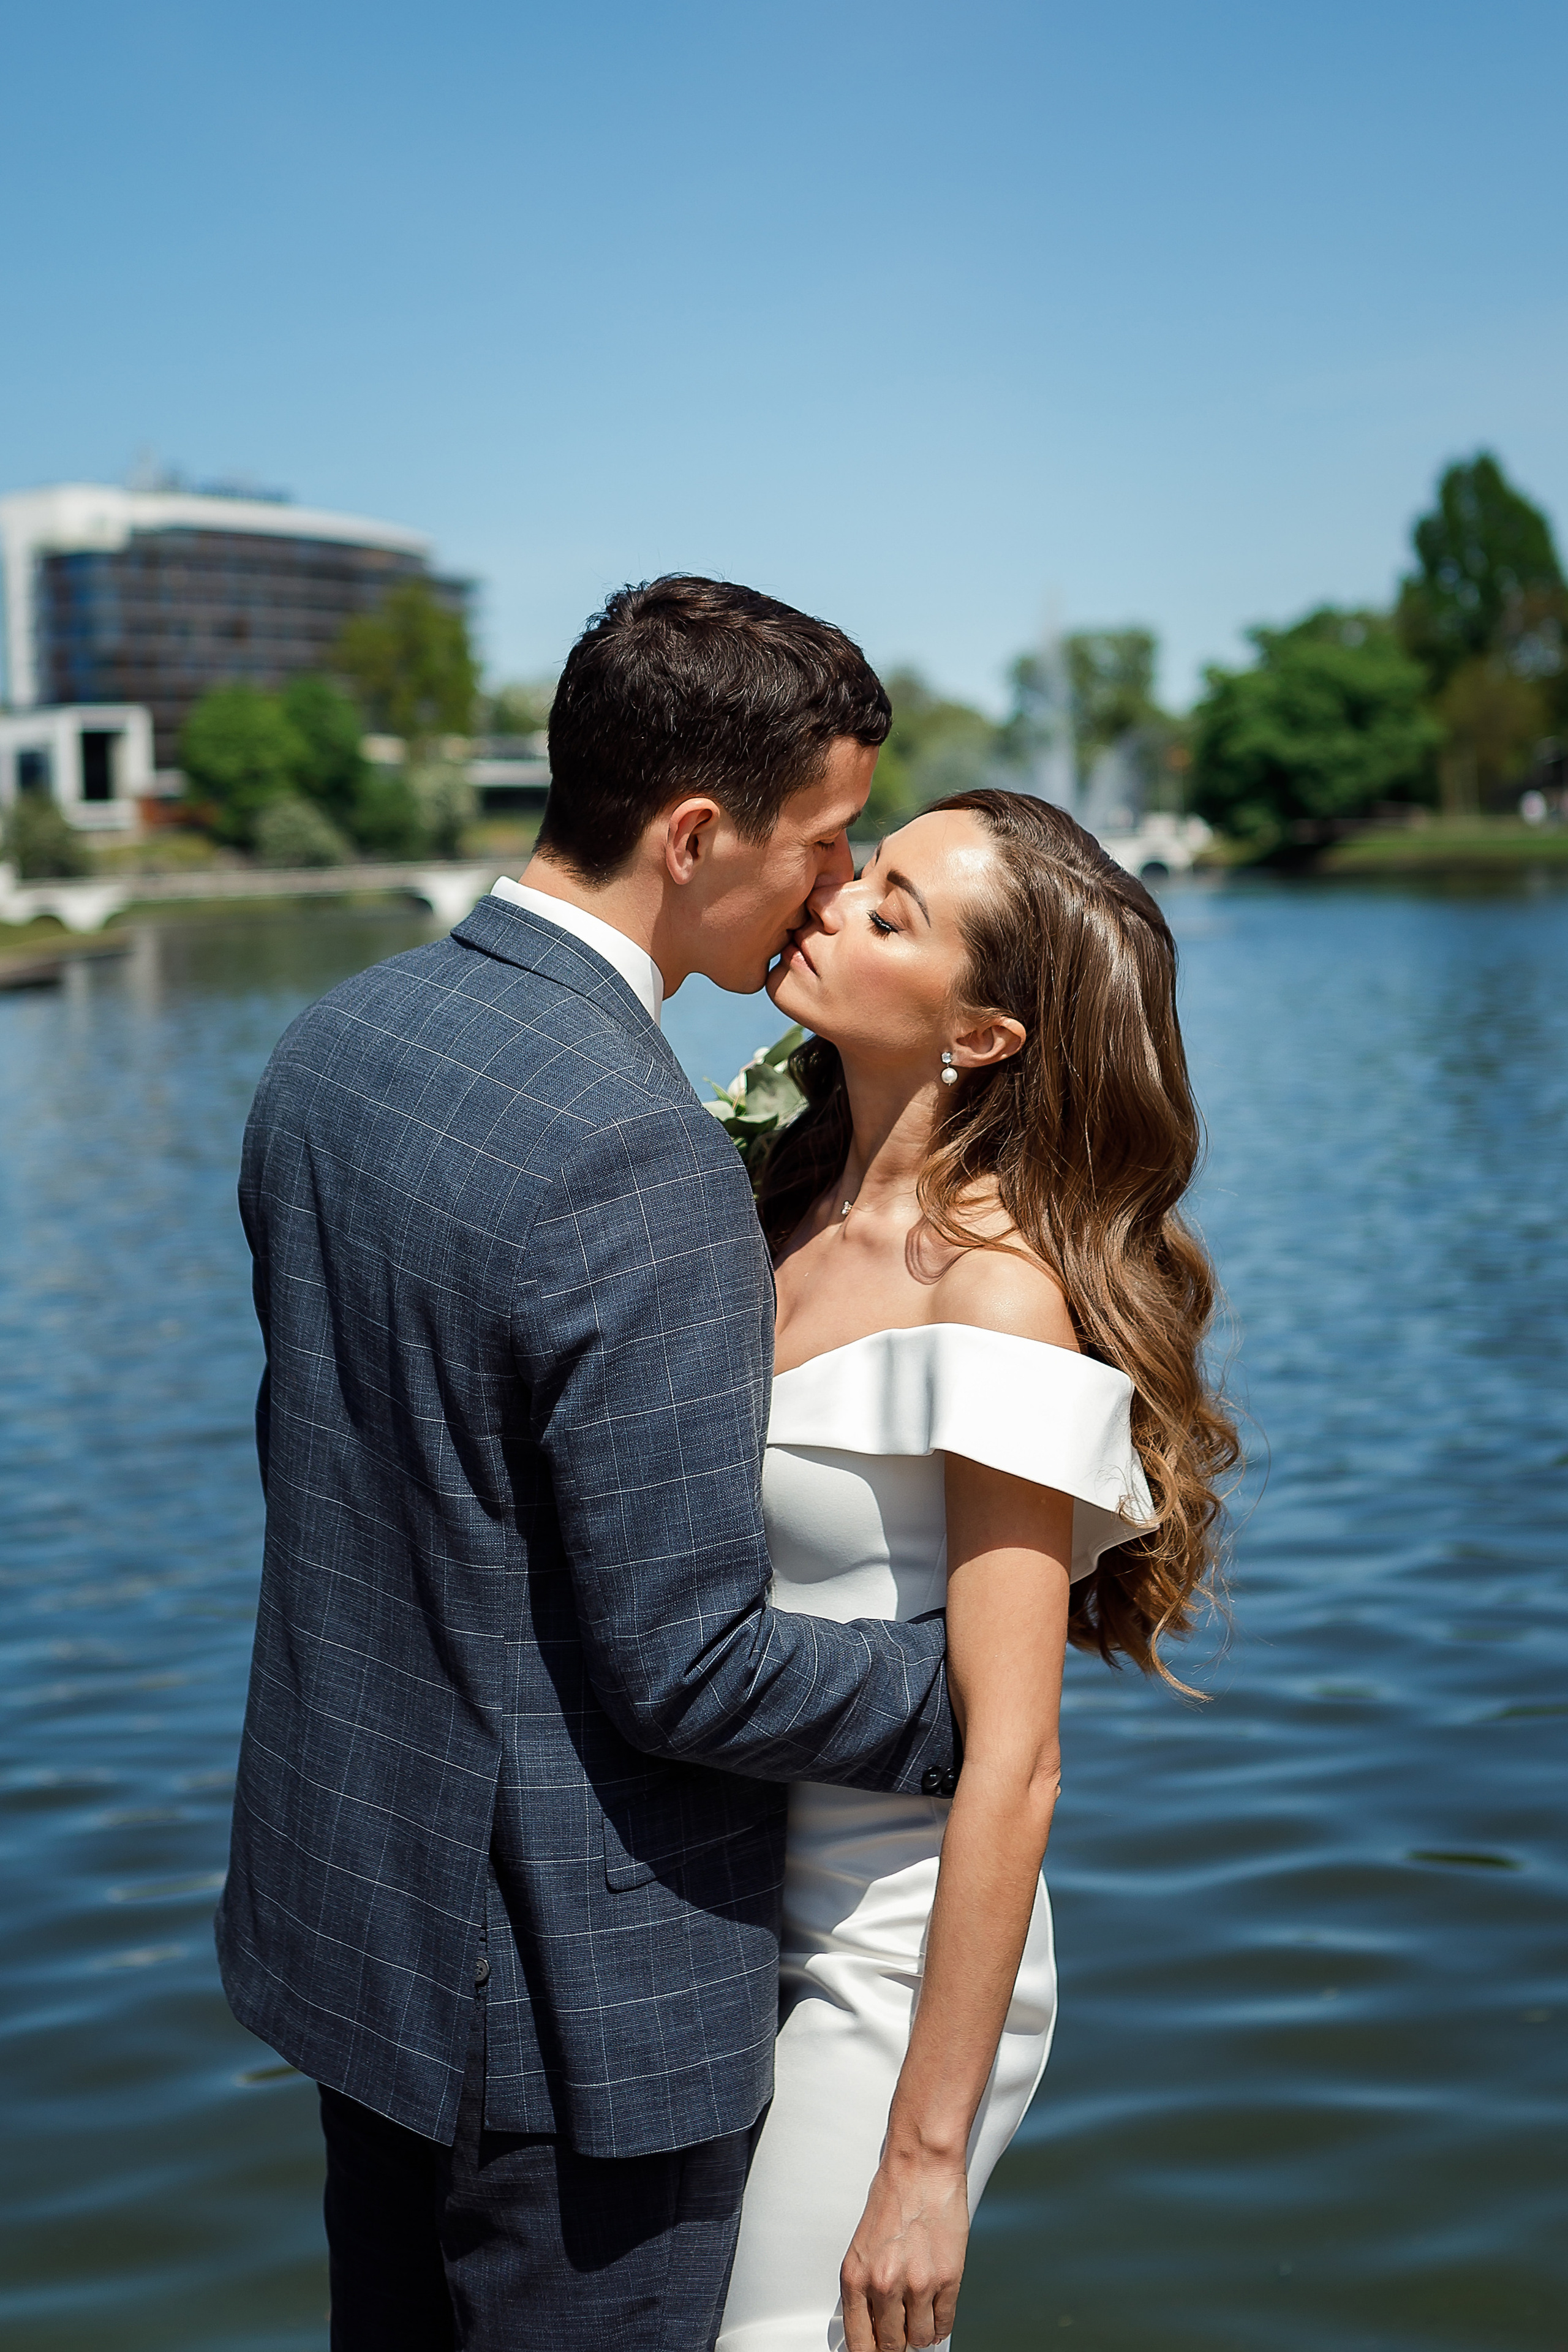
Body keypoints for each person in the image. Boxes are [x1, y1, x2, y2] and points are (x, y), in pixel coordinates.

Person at [216, 578, 963, 2351]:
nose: (838, 890)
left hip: (359, 1936)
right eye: (826, 841)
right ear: (697, 833)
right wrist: (966, 1700)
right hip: (572, 2013)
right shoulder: (639, 1151)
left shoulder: (333, 1046)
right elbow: (681, 1661)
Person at [717, 792, 1237, 2352]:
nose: (827, 901)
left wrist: (924, 2160)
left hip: (894, 1953)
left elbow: (1013, 1761)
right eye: (857, 869)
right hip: (719, 1909)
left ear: (986, 1034)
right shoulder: (768, 1201)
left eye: (889, 911)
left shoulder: (996, 1298)